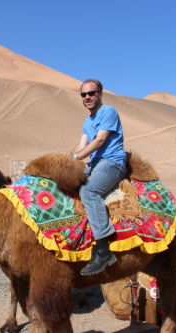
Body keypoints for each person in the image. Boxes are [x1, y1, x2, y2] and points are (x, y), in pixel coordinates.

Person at [71, 79, 127, 276]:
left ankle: (103, 248)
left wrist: (78, 157)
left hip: (112, 162)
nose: (87, 97)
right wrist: (68, 161)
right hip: (95, 164)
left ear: (100, 94)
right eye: (84, 95)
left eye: (91, 93)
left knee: (89, 191)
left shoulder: (108, 112)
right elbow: (81, 145)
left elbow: (100, 140)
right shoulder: (87, 121)